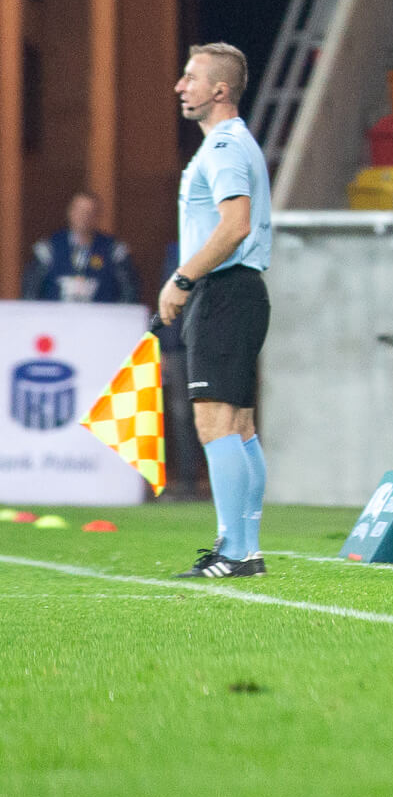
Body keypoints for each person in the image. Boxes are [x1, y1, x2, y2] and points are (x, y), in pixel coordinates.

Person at [162, 43, 274, 578]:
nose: (181, 86)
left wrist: (183, 278)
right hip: (241, 293)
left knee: (216, 424)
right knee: (240, 426)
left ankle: (234, 551)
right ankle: (244, 551)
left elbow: (235, 225)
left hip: (224, 293)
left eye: (191, 77)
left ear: (220, 90)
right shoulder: (232, 143)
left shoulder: (224, 147)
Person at [24, 191, 138, 303]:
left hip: (101, 314)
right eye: (80, 211)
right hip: (55, 315)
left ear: (98, 216)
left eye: (89, 212)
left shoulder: (114, 251)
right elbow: (30, 292)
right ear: (70, 212)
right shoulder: (48, 249)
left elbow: (129, 293)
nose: (84, 217)